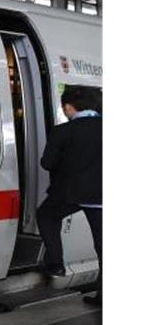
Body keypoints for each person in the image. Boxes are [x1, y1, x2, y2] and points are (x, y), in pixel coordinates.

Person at [37, 87, 102, 304]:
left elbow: (47, 163)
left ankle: (55, 263)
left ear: (67, 107)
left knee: (46, 215)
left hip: (70, 193)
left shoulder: (63, 131)